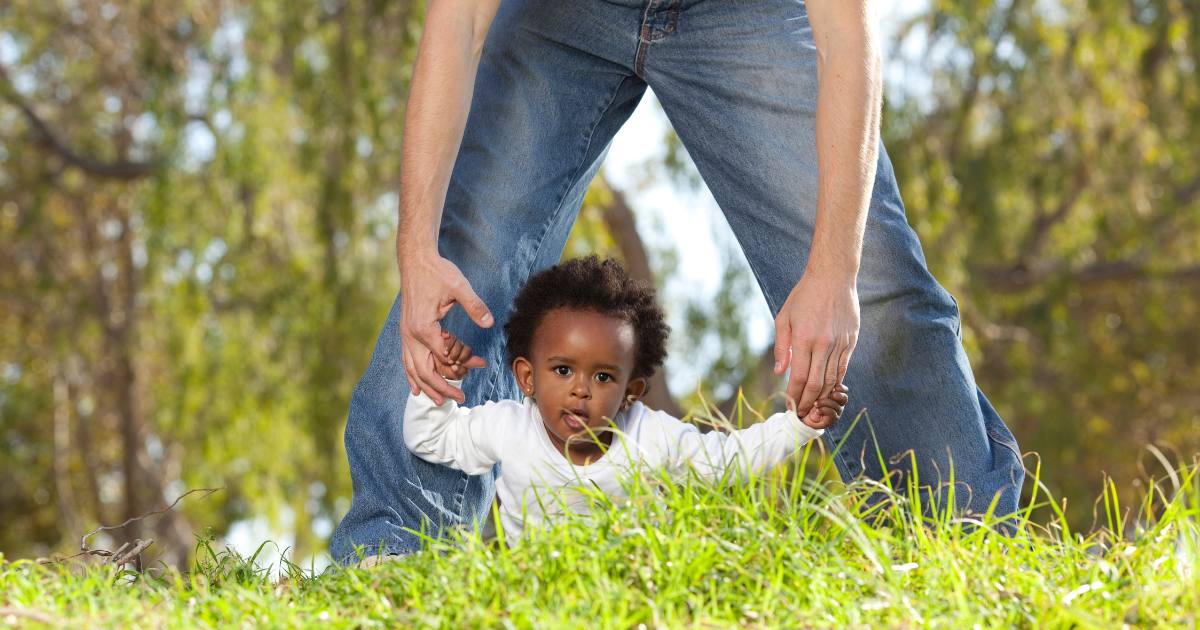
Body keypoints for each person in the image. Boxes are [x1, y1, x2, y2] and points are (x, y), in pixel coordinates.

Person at [331, 0, 1025, 565]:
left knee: (872, 287)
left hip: (743, 14)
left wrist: (836, 270)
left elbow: (847, 34)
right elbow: (456, 19)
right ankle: (392, 558)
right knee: (461, 267)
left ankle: (961, 543)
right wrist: (416, 248)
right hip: (559, 14)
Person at [403, 257, 848, 541]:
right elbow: (429, 438)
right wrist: (437, 386)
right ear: (527, 377)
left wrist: (798, 426)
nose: (580, 389)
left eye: (602, 376)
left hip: (630, 584)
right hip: (532, 591)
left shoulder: (650, 436)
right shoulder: (508, 427)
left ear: (629, 394)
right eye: (562, 370)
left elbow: (727, 462)